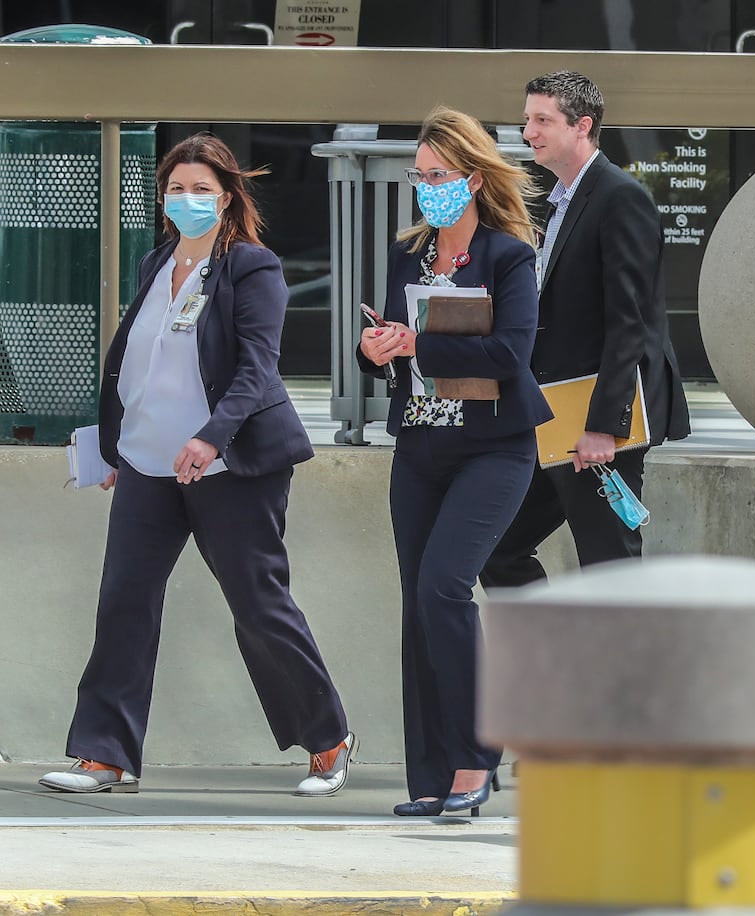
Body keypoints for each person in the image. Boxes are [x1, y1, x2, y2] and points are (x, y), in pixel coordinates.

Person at [40, 133, 353, 796]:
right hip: (150, 467)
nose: (187, 200)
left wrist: (210, 437)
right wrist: (117, 444)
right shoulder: (159, 263)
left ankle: (328, 739)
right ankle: (103, 753)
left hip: (231, 467)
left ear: (229, 197)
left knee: (257, 604)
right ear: (162, 198)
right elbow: (139, 364)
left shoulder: (252, 267)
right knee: (123, 601)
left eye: (201, 190)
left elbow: (255, 370)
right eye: (177, 189)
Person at [357, 107, 548, 817]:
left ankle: (476, 759)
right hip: (420, 443)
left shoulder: (507, 256)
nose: (426, 187)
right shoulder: (410, 255)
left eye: (438, 176)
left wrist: (417, 346)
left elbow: (510, 355)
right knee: (419, 602)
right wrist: (374, 351)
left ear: (472, 178)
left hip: (494, 447)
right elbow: (390, 340)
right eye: (420, 176)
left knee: (444, 586)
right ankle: (431, 778)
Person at [478, 69, 689, 588]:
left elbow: (630, 323)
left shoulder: (620, 197)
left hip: (595, 423)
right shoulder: (560, 202)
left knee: (609, 571)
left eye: (542, 120)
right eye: (527, 119)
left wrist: (605, 427)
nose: (528, 131)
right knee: (495, 551)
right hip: (551, 416)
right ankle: (555, 664)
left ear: (582, 126)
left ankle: (619, 672)